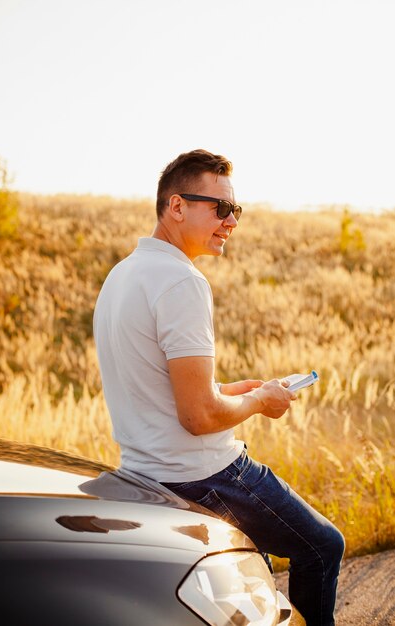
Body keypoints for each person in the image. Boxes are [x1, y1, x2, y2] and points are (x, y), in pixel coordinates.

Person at [93, 149, 345, 626]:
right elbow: (200, 418)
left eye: (236, 210)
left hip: (147, 471)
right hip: (204, 473)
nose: (231, 221)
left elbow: (157, 391)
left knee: (254, 584)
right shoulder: (182, 282)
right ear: (176, 206)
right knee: (324, 546)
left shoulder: (121, 276)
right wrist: (258, 401)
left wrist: (228, 387)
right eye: (221, 208)